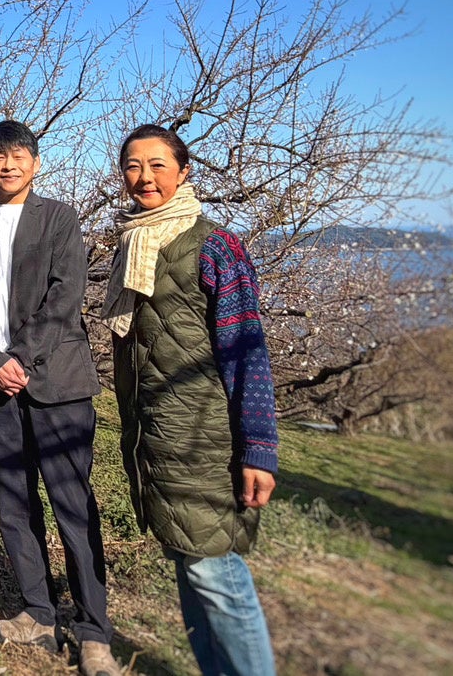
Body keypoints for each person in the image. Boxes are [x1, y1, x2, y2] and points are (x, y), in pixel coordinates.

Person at [101, 123, 279, 676]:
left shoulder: (214, 246)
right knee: (188, 566)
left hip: (204, 438)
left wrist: (258, 448)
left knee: (214, 575)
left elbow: (245, 349)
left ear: (183, 171)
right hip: (159, 436)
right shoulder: (134, 244)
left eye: (157, 164)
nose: (144, 176)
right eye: (133, 165)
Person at [0, 120, 120, 676]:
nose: (8, 166)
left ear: (35, 162)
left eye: (18, 156)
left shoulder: (60, 218)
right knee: (14, 504)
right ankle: (38, 614)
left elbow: (66, 294)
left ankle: (94, 629)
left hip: (57, 384)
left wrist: (20, 357)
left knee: (73, 504)